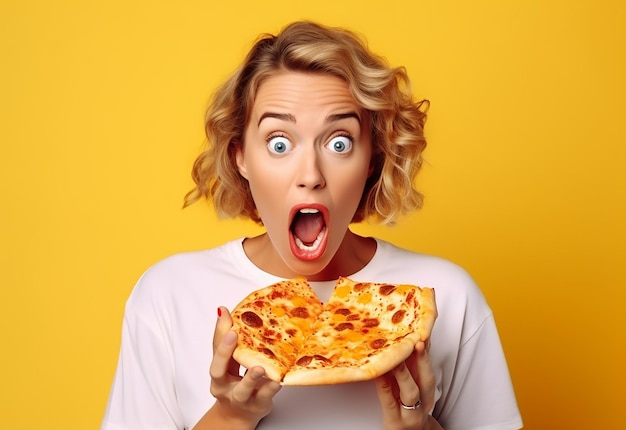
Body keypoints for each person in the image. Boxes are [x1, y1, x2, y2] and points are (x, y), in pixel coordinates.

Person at [101, 21, 523, 430]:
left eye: (339, 142)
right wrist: (230, 418)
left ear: (372, 159)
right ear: (240, 157)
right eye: (279, 143)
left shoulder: (445, 294)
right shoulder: (168, 293)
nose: (310, 174)